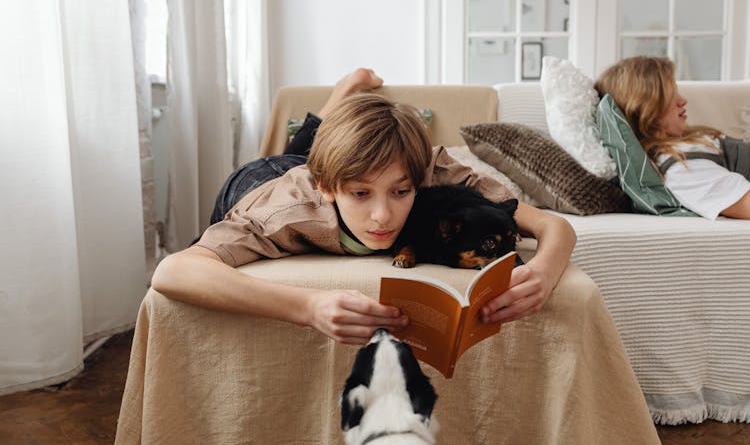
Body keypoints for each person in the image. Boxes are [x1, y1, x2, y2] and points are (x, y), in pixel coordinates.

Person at [152, 68, 576, 345]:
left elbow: (553, 226)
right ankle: (340, 98)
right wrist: (307, 306)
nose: (383, 217)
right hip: (257, 180)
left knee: (312, 155)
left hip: (322, 171)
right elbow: (173, 271)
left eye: (400, 192)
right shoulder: (281, 213)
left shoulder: (432, 169)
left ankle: (341, 108)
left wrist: (542, 270)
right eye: (360, 195)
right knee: (292, 157)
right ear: (330, 189)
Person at [595, 56, 750, 220]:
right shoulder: (682, 170)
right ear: (644, 107)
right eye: (670, 94)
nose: (683, 100)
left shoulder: (684, 145)